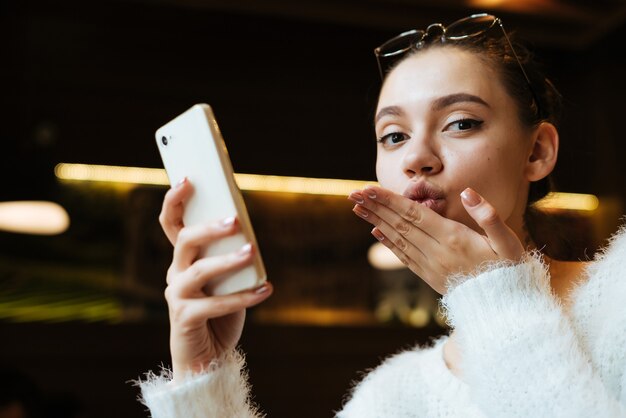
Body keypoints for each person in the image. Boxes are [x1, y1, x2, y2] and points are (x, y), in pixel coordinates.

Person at [138, 13, 626, 417]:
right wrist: (202, 376)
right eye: (394, 135)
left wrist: (494, 295)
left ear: (537, 151)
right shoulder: (391, 395)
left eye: (461, 123)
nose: (417, 156)